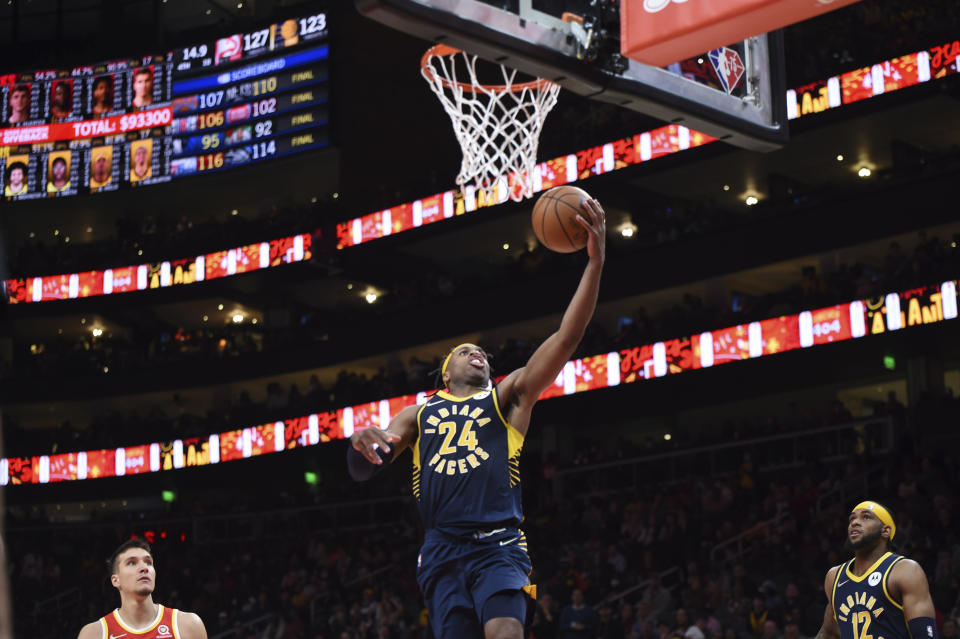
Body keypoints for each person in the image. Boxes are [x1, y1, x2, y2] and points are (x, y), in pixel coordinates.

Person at [348, 197, 606, 639]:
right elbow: (365, 469)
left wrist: (595, 264)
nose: (478, 354)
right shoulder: (418, 412)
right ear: (446, 371)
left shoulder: (508, 396)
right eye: (467, 351)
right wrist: (361, 443)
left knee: (505, 631)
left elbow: (567, 338)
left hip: (499, 542)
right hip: (441, 546)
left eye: (483, 353)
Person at [814, 501, 937, 639]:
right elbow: (829, 633)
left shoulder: (904, 570)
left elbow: (924, 634)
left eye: (866, 517)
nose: (854, 523)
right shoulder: (834, 576)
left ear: (885, 531)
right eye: (852, 518)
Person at [76, 538, 207, 639]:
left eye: (148, 562)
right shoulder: (94, 634)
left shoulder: (188, 625)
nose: (144, 568)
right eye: (132, 563)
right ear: (116, 580)